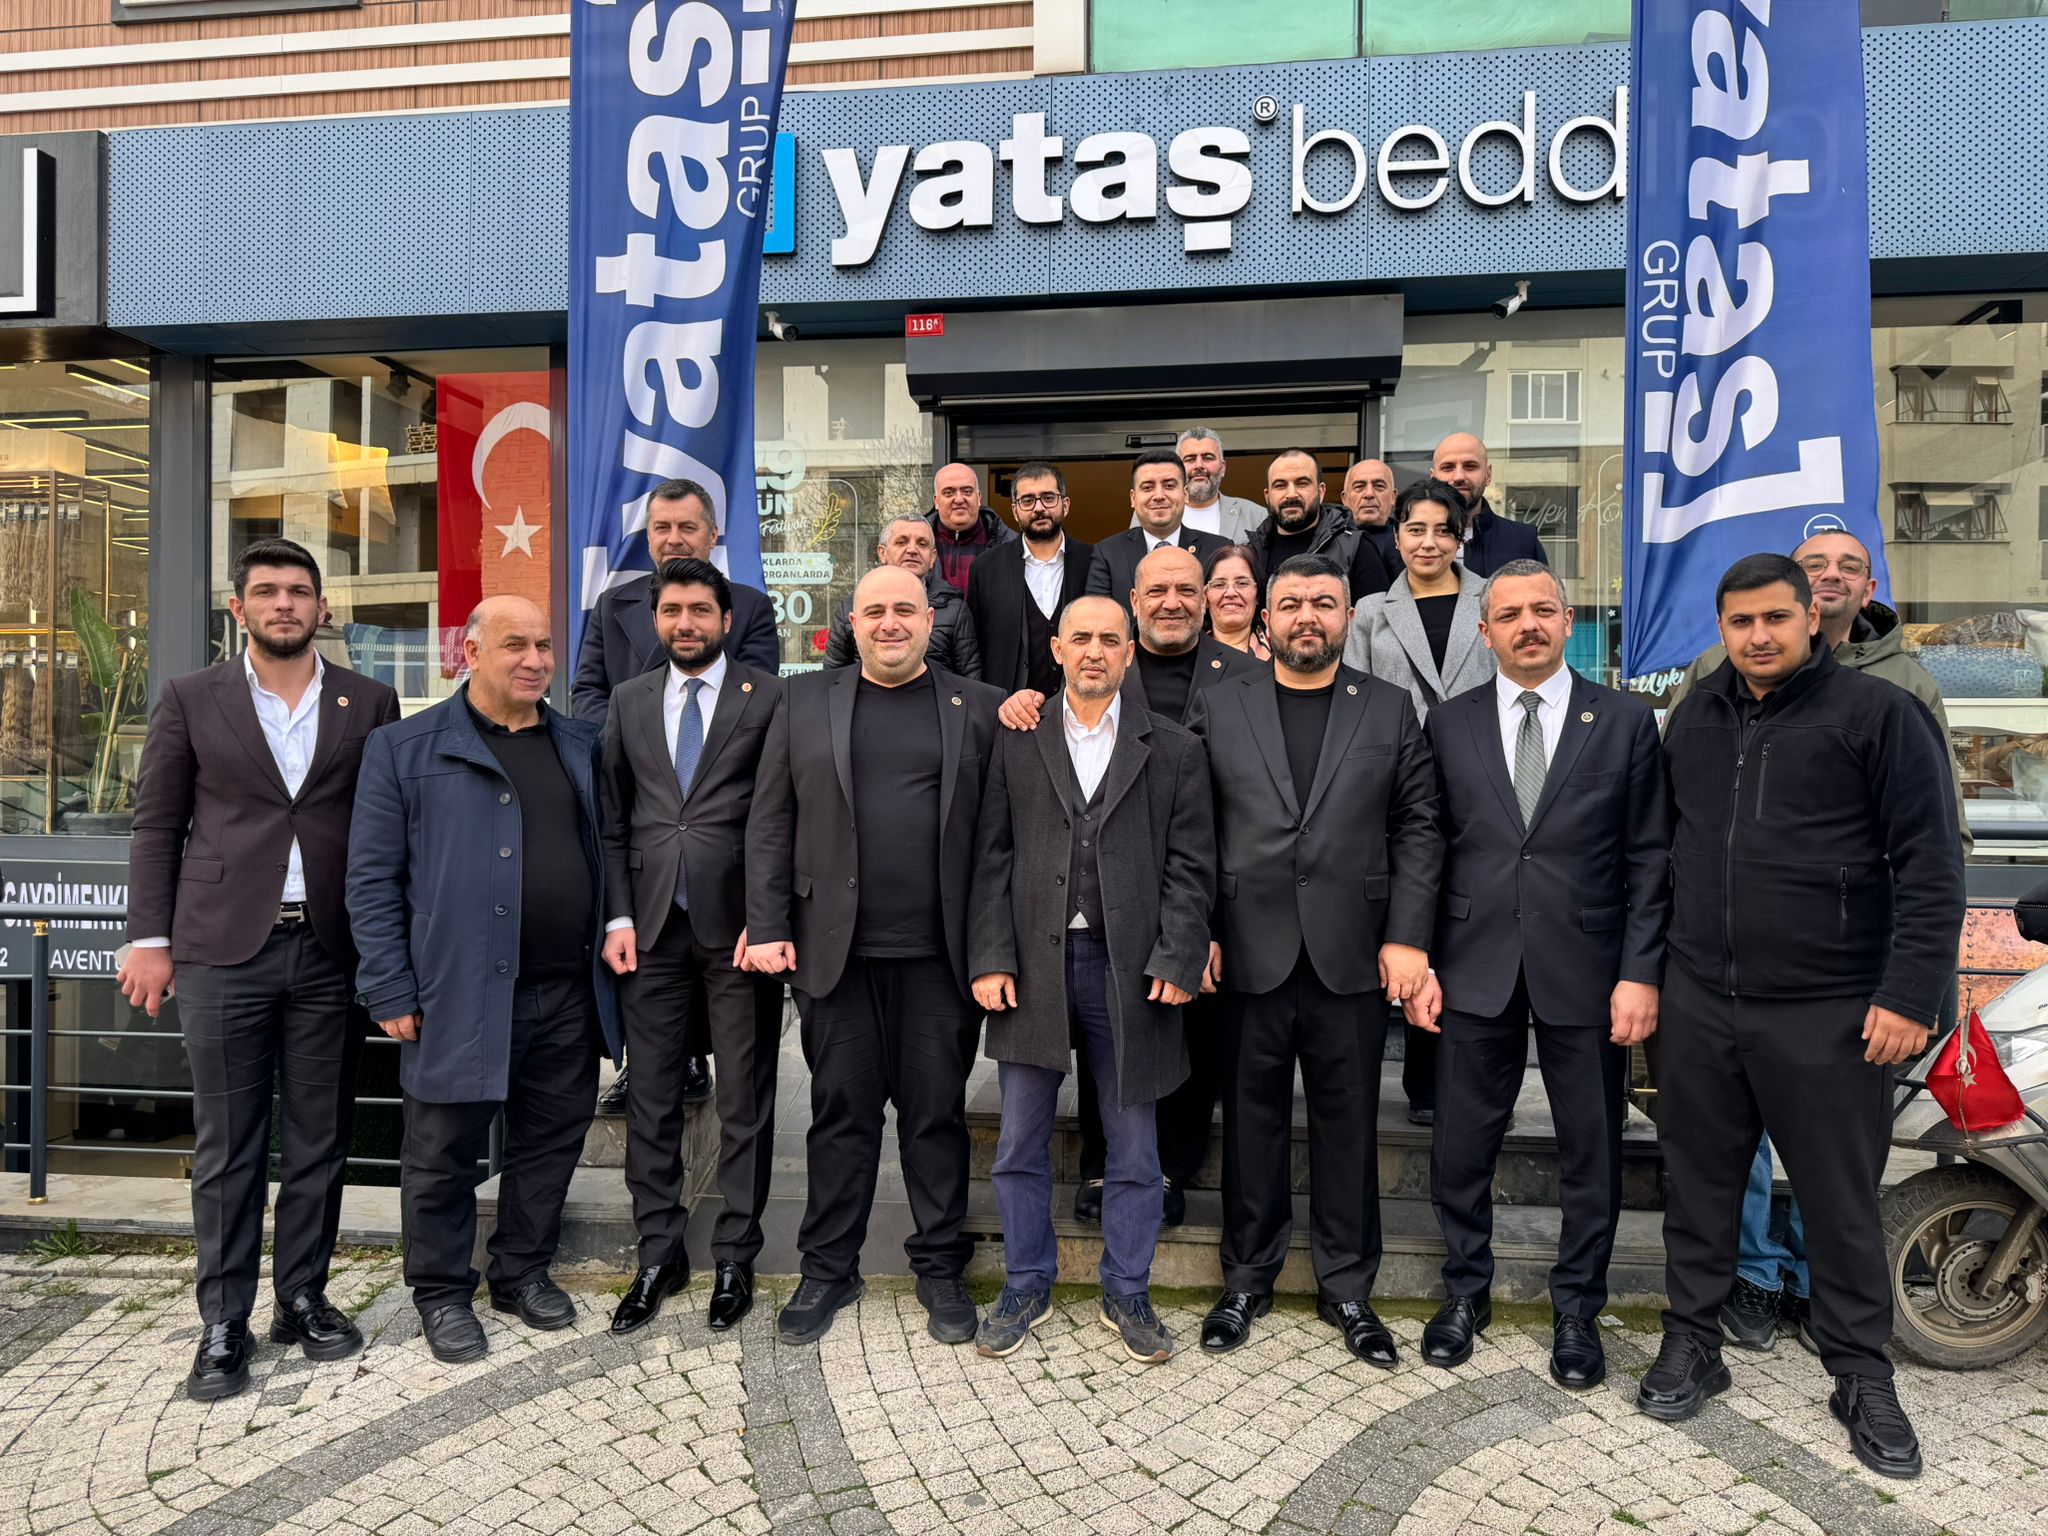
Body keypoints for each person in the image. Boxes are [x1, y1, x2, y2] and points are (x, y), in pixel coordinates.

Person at [1645, 554, 1965, 1483]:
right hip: (1701, 999)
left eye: (1775, 618)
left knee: (1838, 1200)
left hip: (1832, 1010)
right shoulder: (1694, 718)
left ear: (1811, 618)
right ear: (1721, 628)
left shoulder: (1879, 715)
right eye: (1740, 621)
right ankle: (1692, 1340)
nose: (1759, 636)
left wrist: (1909, 994)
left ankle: (1861, 1373)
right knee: (1700, 1188)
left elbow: (1932, 864)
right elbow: (1665, 850)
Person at [120, 538, 400, 1401]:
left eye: (300, 591)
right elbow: (157, 825)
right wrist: (149, 937)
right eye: (268, 591)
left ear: (322, 607)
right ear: (238, 608)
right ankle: (224, 1320)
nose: (286, 603)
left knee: (319, 1138)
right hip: (219, 949)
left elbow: (388, 826)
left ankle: (303, 1297)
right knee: (229, 1143)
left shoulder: (368, 700)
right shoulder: (191, 697)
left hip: (328, 949)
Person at [1406, 559, 1671, 1390]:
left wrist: (1640, 973)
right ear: (1485, 632)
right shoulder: (1447, 723)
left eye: (1543, 610)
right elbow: (1426, 847)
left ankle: (1577, 1310)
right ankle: (1465, 1292)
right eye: (1511, 614)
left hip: (1588, 970)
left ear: (1567, 622)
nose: (1528, 624)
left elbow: (1651, 857)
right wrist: (1419, 957)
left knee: (1592, 1146)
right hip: (1471, 963)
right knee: (1461, 1143)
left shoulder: (1624, 720)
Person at [347, 596, 623, 1364]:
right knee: (441, 1152)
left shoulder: (580, 743)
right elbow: (371, 879)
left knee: (551, 1142)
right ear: (470, 654)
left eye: (544, 646)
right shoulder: (404, 748)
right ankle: (440, 1293)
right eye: (515, 646)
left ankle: (521, 1272)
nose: (535, 661)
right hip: (456, 993)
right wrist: (389, 987)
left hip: (567, 991)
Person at [743, 566, 1004, 1346]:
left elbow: (1001, 842)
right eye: (875, 610)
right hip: (836, 956)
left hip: (940, 960)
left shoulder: (980, 708)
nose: (891, 622)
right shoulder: (801, 702)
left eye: (905, 610)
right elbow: (769, 822)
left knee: (935, 1119)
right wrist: (766, 923)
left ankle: (939, 1268)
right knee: (840, 1118)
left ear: (931, 622)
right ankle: (828, 1269)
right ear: (851, 624)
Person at [1190, 554, 1442, 1364]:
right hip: (1247, 952)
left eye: (1324, 603)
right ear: (1266, 618)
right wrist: (1199, 929)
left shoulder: (1390, 708)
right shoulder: (1219, 704)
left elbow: (1420, 824)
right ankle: (1246, 1279)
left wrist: (1407, 937)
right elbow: (1192, 828)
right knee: (1249, 1123)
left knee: (1350, 1126)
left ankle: (1348, 1287)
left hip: (1353, 955)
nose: (1308, 616)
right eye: (1292, 602)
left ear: (1347, 618)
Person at [968, 596, 1216, 1364]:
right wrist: (990, 955)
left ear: (1130, 652)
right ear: (1057, 648)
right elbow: (991, 855)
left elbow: (1191, 867)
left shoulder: (1173, 748)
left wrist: (1178, 957)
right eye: (1081, 637)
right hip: (1033, 964)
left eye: (1111, 639)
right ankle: (1026, 1282)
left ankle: (1128, 1289)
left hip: (1129, 967)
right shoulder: (1016, 738)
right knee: (1019, 1141)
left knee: (1135, 1148)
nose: (1095, 651)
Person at [998, 544, 1259, 1227]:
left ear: (1206, 600)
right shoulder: (1094, 675)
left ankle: (1171, 1170)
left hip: (1203, 898)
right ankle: (1100, 1167)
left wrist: (1199, 932)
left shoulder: (1248, 676)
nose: (1173, 602)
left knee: (1180, 1048)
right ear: (1136, 604)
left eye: (1187, 590)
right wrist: (1019, 701)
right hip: (1100, 906)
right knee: (1105, 1047)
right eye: (1157, 591)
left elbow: (1221, 827)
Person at [598, 559, 785, 1336]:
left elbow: (781, 814)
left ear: (725, 619)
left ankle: (736, 1254)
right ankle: (659, 1254)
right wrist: (616, 917)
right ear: (656, 618)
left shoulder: (768, 697)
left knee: (743, 1097)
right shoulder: (629, 699)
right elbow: (613, 820)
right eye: (672, 610)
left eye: (700, 610)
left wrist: (767, 919)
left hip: (738, 931)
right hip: (648, 930)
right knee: (651, 1098)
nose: (686, 623)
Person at [572, 476, 769, 1112]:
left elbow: (760, 702)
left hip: (719, 816)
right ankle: (651, 1062)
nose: (674, 538)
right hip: (637, 799)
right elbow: (587, 691)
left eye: (688, 527)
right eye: (662, 527)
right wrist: (630, 737)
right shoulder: (613, 606)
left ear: (713, 535)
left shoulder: (747, 605)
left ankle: (695, 1059)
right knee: (649, 972)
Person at [1346, 478, 1499, 1125]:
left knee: (1474, 933)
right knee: (1416, 928)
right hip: (1399, 791)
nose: (1429, 542)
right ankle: (1424, 1083)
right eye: (1416, 529)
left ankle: (1473, 1078)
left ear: (1461, 535)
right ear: (1397, 535)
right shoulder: (1371, 611)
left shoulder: (1494, 597)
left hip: (1482, 785)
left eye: (1443, 529)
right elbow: (1353, 699)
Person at [968, 461, 1095, 698]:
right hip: (1009, 708)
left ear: (1065, 505)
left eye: (1048, 498)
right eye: (1027, 501)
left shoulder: (1095, 561)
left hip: (1081, 705)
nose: (1039, 508)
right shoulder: (985, 569)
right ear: (1015, 510)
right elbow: (975, 647)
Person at [822, 515, 982, 678]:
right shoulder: (851, 608)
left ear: (932, 557)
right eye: (901, 542)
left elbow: (970, 679)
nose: (912, 550)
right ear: (882, 553)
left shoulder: (955, 610)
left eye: (922, 544)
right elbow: (832, 678)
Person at [1086, 449, 1229, 614]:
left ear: (1185, 494)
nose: (1159, 495)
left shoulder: (1218, 550)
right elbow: (1098, 617)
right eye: (1148, 487)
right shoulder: (1107, 553)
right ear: (1133, 498)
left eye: (1169, 486)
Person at [1244, 448, 1389, 602]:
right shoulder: (1251, 554)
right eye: (1280, 485)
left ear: (1321, 491)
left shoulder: (1356, 548)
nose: (1291, 494)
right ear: (1267, 496)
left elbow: (1374, 616)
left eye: (1302, 483)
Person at [1430, 434, 1546, 578]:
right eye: (1448, 468)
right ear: (1433, 477)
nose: (1459, 476)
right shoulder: (1409, 543)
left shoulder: (1524, 541)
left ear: (1488, 474)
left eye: (1470, 466)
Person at [927, 461, 1016, 596]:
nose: (959, 499)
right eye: (949, 493)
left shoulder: (1011, 544)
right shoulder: (916, 544)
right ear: (936, 501)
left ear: (979, 498)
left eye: (967, 491)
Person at [1176, 427, 1265, 543]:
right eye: (1190, 459)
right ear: (1176, 469)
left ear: (1222, 468)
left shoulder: (1255, 516)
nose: (1199, 465)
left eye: (1208, 458)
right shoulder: (1159, 514)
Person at [1203, 544, 1269, 660]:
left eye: (1242, 583)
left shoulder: (1281, 654)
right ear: (1205, 597)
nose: (1231, 593)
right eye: (1219, 584)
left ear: (1258, 595)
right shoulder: (1187, 654)